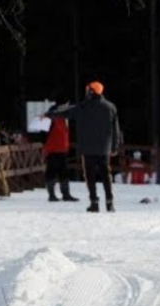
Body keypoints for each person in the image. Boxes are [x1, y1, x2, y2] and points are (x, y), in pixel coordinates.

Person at [45, 81, 121, 213]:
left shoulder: (82, 107)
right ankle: (109, 203)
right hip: (104, 149)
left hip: (87, 149)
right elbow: (116, 130)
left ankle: (94, 203)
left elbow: (65, 113)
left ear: (91, 91)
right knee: (106, 175)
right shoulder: (111, 107)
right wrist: (114, 147)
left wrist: (49, 114)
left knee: (90, 177)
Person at [43, 95, 79, 202]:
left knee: (64, 172)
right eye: (66, 104)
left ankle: (66, 194)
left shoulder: (64, 117)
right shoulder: (51, 117)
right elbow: (43, 133)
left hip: (62, 149)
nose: (68, 106)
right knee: (51, 172)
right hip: (53, 149)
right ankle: (52, 194)